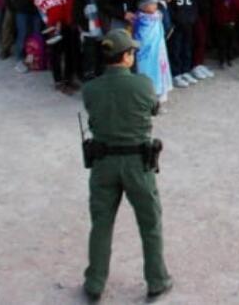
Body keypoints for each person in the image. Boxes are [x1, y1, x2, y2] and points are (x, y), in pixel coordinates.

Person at [81, 29, 172, 302]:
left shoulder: (90, 88)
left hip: (103, 163)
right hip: (137, 163)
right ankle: (156, 280)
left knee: (101, 224)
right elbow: (153, 108)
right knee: (150, 223)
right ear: (127, 56)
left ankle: (95, 282)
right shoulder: (143, 85)